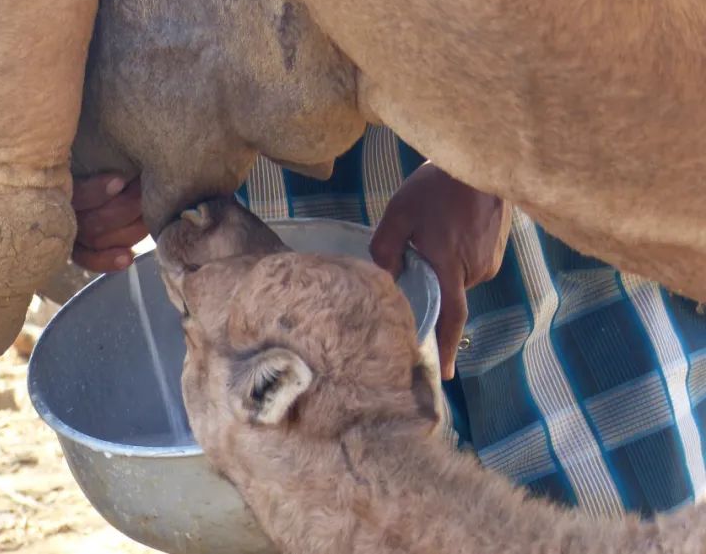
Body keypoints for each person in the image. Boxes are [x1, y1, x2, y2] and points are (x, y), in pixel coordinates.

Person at [71, 124, 706, 519]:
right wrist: (77, 186)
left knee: (609, 520)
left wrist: (484, 161)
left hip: (541, 254)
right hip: (271, 238)